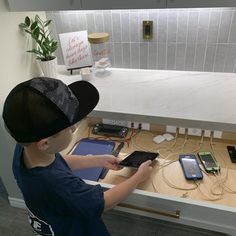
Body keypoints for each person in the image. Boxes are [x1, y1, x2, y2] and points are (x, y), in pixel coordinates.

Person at [2, 77, 153, 236]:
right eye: (69, 127)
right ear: (45, 143)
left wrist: (99, 160)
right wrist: (138, 177)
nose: (74, 128)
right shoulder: (57, 184)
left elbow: (58, 163)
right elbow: (104, 202)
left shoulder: (25, 149)